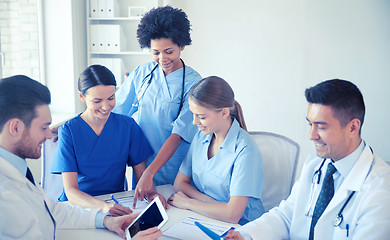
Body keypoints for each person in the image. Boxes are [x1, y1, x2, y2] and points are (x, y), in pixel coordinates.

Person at [0, 75, 162, 239]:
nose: (50, 135)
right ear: (15, 127)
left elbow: (53, 211)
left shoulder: (18, 173)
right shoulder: (6, 194)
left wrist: (106, 221)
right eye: (43, 127)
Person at [226, 79, 390, 240]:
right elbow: (286, 216)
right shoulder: (316, 165)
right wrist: (245, 235)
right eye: (310, 124)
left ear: (353, 127)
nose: (311, 136)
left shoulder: (381, 192)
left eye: (321, 127)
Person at [113, 5, 202, 206]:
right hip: (142, 167)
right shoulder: (142, 73)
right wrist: (75, 122)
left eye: (168, 51)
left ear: (182, 46)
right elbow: (115, 108)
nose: (162, 59)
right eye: (155, 52)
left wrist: (150, 173)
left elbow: (179, 134)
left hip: (175, 170)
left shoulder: (194, 84)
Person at [51, 65, 167, 215]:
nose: (106, 106)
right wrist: (103, 206)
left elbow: (142, 176)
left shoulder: (128, 126)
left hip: (117, 202)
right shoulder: (69, 131)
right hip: (79, 206)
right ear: (82, 97)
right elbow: (71, 191)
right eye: (97, 101)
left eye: (111, 98)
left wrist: (152, 194)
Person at [167, 76, 265, 225]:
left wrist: (188, 203)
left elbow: (232, 214)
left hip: (242, 227)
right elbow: (179, 184)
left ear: (224, 113)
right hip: (208, 217)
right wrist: (212, 204)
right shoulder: (201, 136)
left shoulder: (245, 149)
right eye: (193, 114)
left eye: (201, 117)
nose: (194, 122)